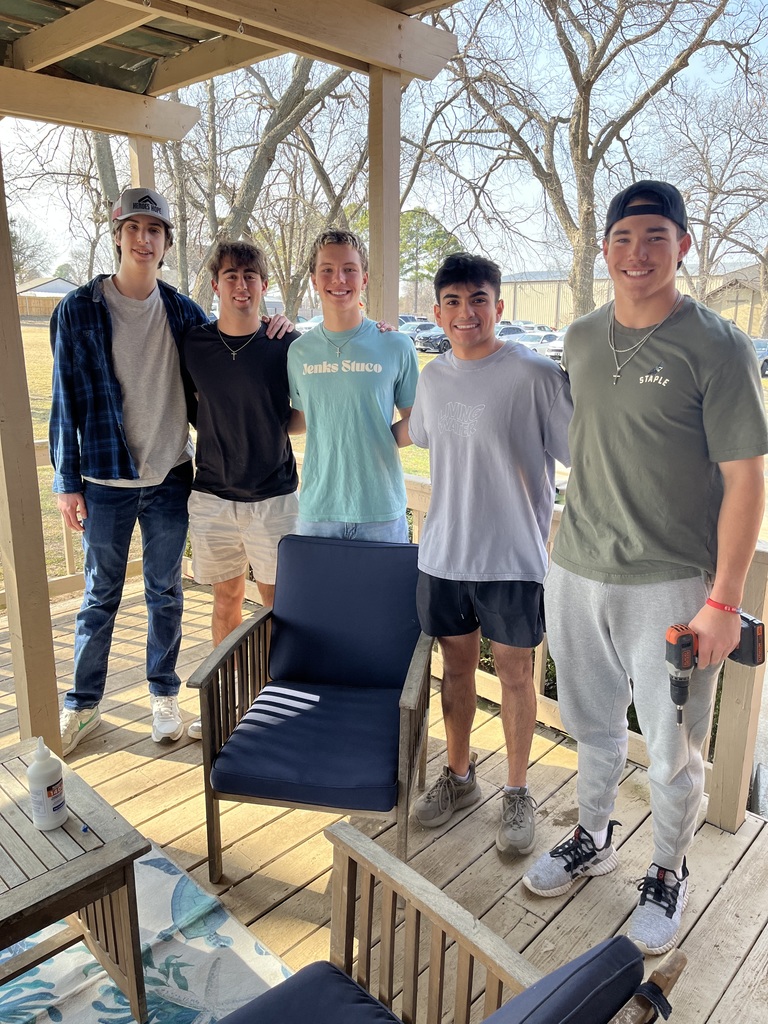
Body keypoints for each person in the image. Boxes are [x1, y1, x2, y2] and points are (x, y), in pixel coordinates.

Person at [522, 181, 768, 955]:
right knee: (590, 723)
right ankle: (592, 835)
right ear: (606, 248)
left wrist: (724, 599)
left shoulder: (720, 345)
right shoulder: (583, 337)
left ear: (683, 245)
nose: (638, 254)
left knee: (673, 747)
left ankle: (667, 867)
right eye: (624, 238)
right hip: (577, 566)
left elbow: (747, 477)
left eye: (656, 237)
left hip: (670, 584)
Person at [405, 253, 572, 855]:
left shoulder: (535, 375)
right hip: (445, 553)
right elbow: (419, 435)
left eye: (478, 299)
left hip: (511, 558)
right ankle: (458, 775)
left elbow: (582, 455)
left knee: (516, 674)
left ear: (499, 306)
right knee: (453, 672)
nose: (465, 312)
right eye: (452, 301)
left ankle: (519, 791)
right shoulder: (432, 377)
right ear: (437, 312)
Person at [50, 187, 210, 756]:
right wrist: (66, 481)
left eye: (156, 230)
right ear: (117, 234)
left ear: (166, 243)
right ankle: (84, 704)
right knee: (100, 597)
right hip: (105, 482)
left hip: (170, 477)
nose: (145, 238)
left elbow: (227, 359)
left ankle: (163, 696)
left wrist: (280, 327)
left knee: (165, 592)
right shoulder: (78, 310)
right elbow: (64, 401)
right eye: (135, 227)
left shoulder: (184, 311)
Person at [180, 240, 299, 740]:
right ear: (215, 284)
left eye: (251, 276)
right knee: (226, 598)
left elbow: (298, 417)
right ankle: (227, 700)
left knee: (279, 605)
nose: (241, 285)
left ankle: (274, 702)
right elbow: (190, 407)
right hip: (211, 497)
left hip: (272, 497)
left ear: (264, 286)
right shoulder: (194, 345)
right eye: (231, 276)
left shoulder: (283, 345)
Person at [286, 229, 419, 541]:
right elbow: (303, 419)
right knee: (318, 593)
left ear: (364, 278)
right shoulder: (299, 351)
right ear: (314, 280)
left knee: (384, 593)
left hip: (381, 511)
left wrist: (374, 439)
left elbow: (417, 420)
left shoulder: (396, 345)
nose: (339, 279)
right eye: (327, 270)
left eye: (349, 269)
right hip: (318, 511)